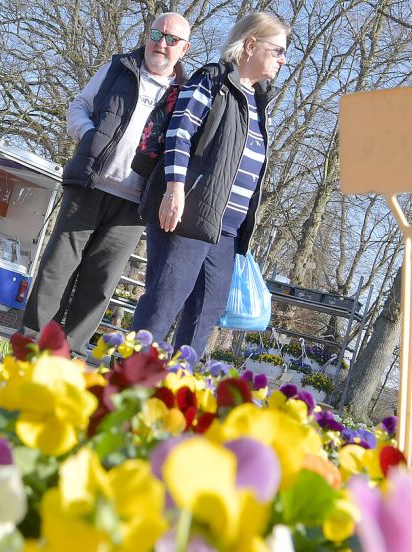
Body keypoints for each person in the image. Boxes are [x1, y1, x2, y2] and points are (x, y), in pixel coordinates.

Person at [20, 12, 192, 357]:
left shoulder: (186, 94)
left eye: (171, 39)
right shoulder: (117, 68)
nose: (161, 43)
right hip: (88, 184)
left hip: (134, 203)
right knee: (57, 267)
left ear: (184, 49)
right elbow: (78, 107)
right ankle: (29, 346)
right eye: (156, 34)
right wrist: (89, 137)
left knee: (100, 282)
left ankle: (70, 356)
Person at [132, 12, 290, 355]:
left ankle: (179, 388)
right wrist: (174, 190)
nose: (283, 58)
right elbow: (179, 133)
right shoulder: (213, 81)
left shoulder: (257, 100)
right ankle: (126, 379)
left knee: (207, 310)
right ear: (250, 46)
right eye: (277, 49)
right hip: (190, 211)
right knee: (165, 299)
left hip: (226, 229)